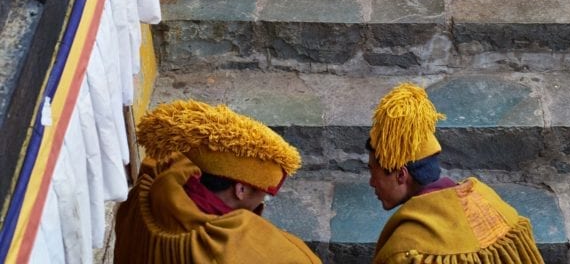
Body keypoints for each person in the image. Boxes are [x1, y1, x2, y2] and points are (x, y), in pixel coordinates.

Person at [114, 99, 321, 263]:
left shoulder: (149, 187)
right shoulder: (232, 247)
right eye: (263, 194)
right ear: (240, 189)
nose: (262, 201)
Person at [367, 82, 547, 264]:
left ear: (401, 175)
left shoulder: (406, 249)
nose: (371, 183)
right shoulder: (492, 204)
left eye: (373, 172)